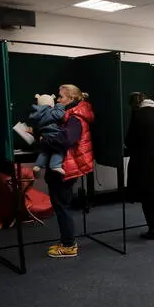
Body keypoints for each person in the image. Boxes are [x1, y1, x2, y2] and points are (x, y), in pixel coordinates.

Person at [40, 84, 94, 258]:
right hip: (66, 165)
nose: (57, 99)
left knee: (62, 206)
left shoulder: (75, 117)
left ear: (70, 99)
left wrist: (44, 139)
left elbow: (66, 139)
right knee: (62, 205)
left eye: (61, 97)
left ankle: (69, 245)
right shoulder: (72, 115)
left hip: (65, 168)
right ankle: (67, 241)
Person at [125, 93, 154, 240]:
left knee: (147, 195)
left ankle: (151, 228)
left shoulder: (138, 115)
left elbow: (130, 139)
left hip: (144, 161)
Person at [30, 94, 67, 177]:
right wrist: (60, 105)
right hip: (54, 134)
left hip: (43, 136)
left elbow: (35, 128)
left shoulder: (36, 114)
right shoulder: (51, 111)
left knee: (44, 152)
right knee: (59, 149)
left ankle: (37, 165)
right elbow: (60, 114)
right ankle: (55, 165)